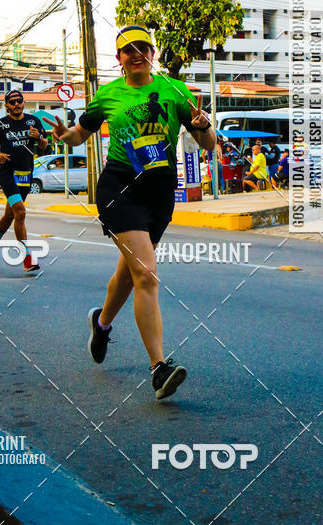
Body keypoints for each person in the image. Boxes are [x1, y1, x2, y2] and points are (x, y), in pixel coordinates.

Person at [47, 25, 216, 401]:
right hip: (119, 188)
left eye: (143, 48)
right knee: (146, 273)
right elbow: (81, 133)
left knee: (130, 271)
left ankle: (102, 322)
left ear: (152, 54)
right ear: (119, 58)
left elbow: (208, 144)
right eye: (128, 50)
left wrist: (204, 127)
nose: (136, 54)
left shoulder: (174, 91)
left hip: (159, 193)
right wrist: (65, 136)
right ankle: (159, 368)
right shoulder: (108, 95)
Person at [0, 89, 49, 273]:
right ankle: (26, 257)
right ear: (7, 106)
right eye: (12, 102)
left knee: (11, 215)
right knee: (20, 211)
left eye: (19, 100)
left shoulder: (33, 121)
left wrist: (39, 138)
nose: (16, 104)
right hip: (7, 172)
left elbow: (44, 145)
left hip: (25, 173)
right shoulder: (0, 124)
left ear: (23, 102)